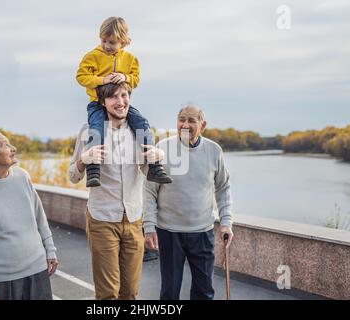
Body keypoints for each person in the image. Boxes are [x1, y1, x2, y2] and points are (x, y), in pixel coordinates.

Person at [68, 82, 164, 300]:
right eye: (113, 97)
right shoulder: (89, 131)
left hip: (133, 220)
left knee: (130, 293)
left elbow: (149, 173)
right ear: (102, 102)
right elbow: (73, 175)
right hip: (102, 219)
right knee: (108, 294)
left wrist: (158, 157)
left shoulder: (141, 131)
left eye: (124, 95)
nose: (120, 102)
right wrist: (84, 160)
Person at [143, 105, 234, 300]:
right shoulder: (162, 149)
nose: (185, 124)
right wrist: (149, 226)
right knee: (170, 292)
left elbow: (223, 188)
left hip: (202, 233)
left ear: (203, 124)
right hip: (169, 233)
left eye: (191, 120)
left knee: (204, 292)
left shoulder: (214, 150)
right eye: (181, 119)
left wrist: (226, 222)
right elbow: (149, 191)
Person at [76, 16, 171, 187]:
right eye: (103, 40)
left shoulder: (130, 59)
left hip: (133, 211)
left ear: (123, 41)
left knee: (142, 123)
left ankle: (155, 166)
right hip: (97, 102)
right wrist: (102, 80)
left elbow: (135, 79)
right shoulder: (93, 56)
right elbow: (81, 77)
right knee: (97, 129)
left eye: (111, 42)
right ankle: (93, 170)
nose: (106, 45)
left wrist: (125, 76)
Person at [0, 130, 58, 300]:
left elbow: (39, 217)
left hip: (37, 269)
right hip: (4, 279)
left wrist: (50, 250)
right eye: (5, 145)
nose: (12, 148)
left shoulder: (23, 177)